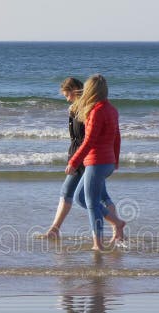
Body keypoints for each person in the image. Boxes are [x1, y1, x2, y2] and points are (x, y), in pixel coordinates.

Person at [44, 77, 116, 239]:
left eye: (67, 95)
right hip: (82, 157)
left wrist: (76, 160)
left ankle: (115, 226)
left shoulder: (88, 109)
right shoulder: (77, 108)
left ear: (76, 90)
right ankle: (117, 229)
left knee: (73, 194)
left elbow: (90, 138)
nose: (67, 99)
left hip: (86, 159)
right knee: (102, 197)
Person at [66, 74, 125, 251]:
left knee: (91, 203)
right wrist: (115, 160)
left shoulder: (96, 111)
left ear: (90, 90)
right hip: (106, 163)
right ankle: (117, 222)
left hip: (97, 161)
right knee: (80, 198)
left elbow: (89, 141)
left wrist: (74, 161)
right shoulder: (112, 110)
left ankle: (97, 244)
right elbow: (117, 137)